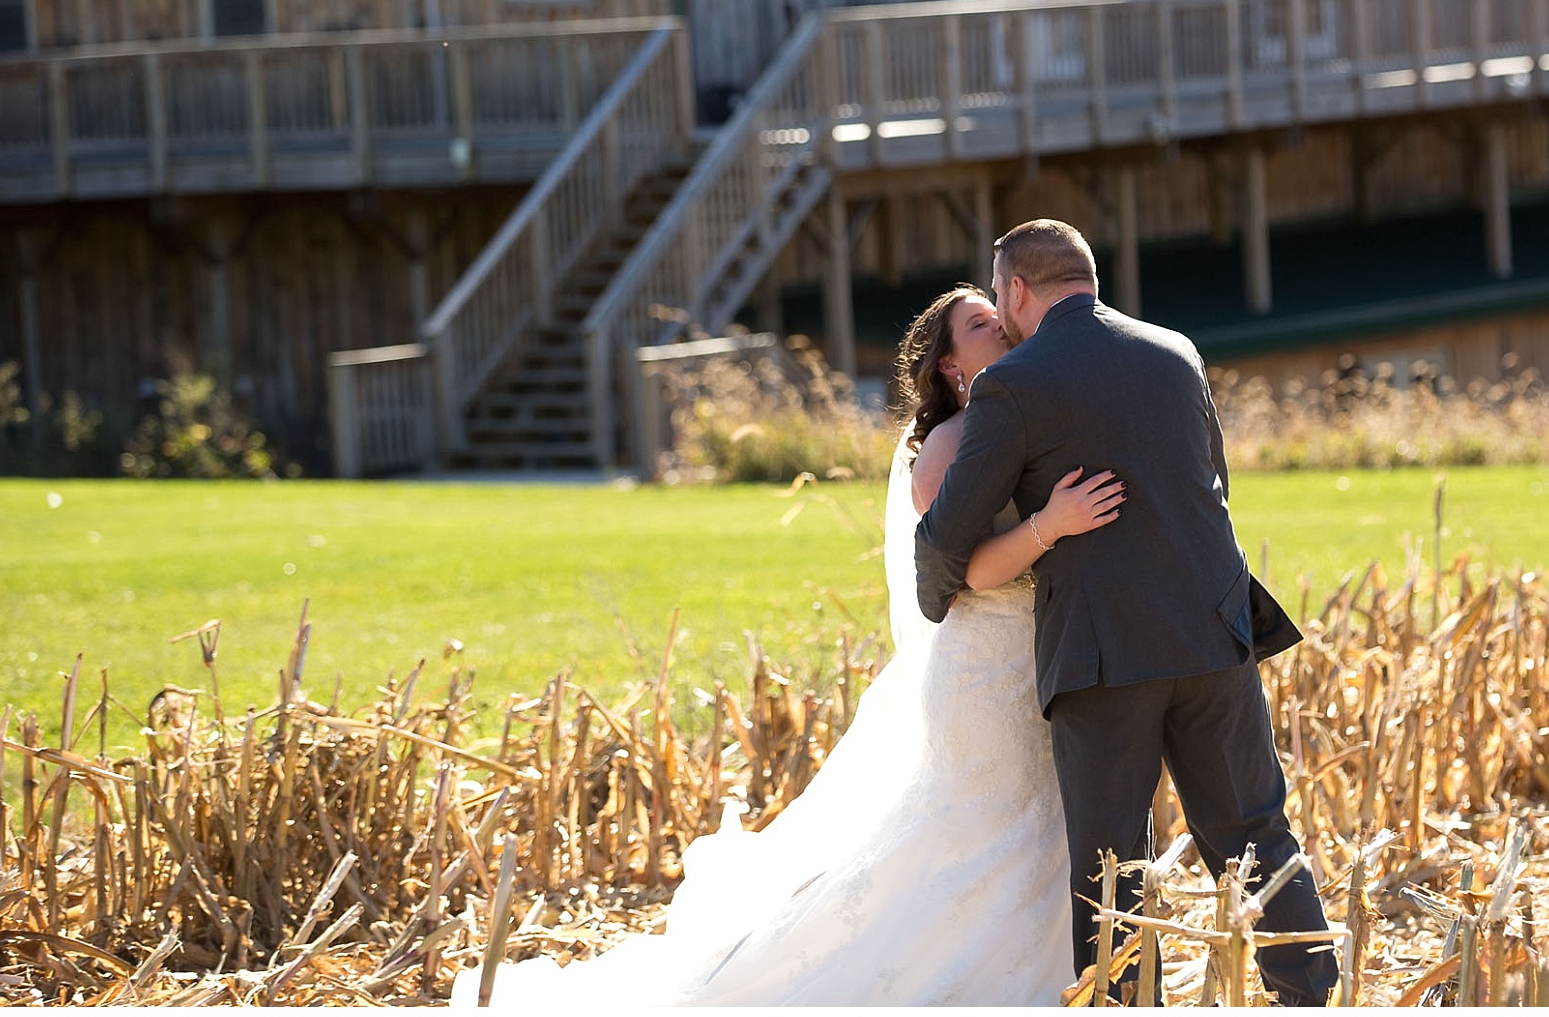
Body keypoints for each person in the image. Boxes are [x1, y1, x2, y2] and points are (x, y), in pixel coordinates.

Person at [452, 286, 1121, 1006]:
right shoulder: (950, 445)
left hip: (1031, 661)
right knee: (981, 840)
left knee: (1029, 842)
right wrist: (1053, 523)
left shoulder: (1014, 417)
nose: (1005, 326)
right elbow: (962, 572)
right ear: (951, 366)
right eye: (983, 325)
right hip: (985, 674)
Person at [916, 220, 1338, 1007]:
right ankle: (1313, 997)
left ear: (1014, 290)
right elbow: (1211, 482)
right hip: (1215, 631)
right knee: (1257, 834)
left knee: (1112, 868)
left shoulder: (1016, 383)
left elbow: (947, 531)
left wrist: (935, 595)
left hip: (1104, 655)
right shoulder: (1176, 351)